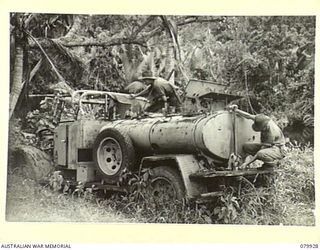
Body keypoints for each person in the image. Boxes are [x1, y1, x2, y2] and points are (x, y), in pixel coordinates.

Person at [228, 105, 286, 169]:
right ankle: (240, 162)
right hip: (268, 146)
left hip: (277, 149)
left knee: (261, 153)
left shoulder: (272, 133)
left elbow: (260, 151)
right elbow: (248, 116)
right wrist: (236, 111)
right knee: (246, 146)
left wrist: (247, 164)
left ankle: (273, 164)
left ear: (263, 128)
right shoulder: (261, 119)